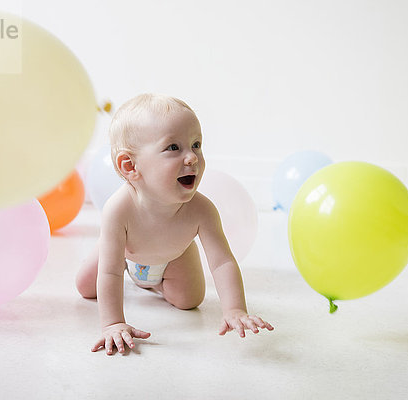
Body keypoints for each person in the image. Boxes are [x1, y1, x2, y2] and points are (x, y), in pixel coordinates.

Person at [76, 94, 274, 355]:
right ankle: (133, 271)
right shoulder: (119, 209)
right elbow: (109, 272)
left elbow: (222, 261)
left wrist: (234, 308)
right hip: (125, 253)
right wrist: (112, 323)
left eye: (196, 144)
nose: (192, 157)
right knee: (86, 287)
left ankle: (154, 283)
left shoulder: (201, 210)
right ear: (130, 166)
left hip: (174, 257)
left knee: (189, 300)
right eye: (173, 148)